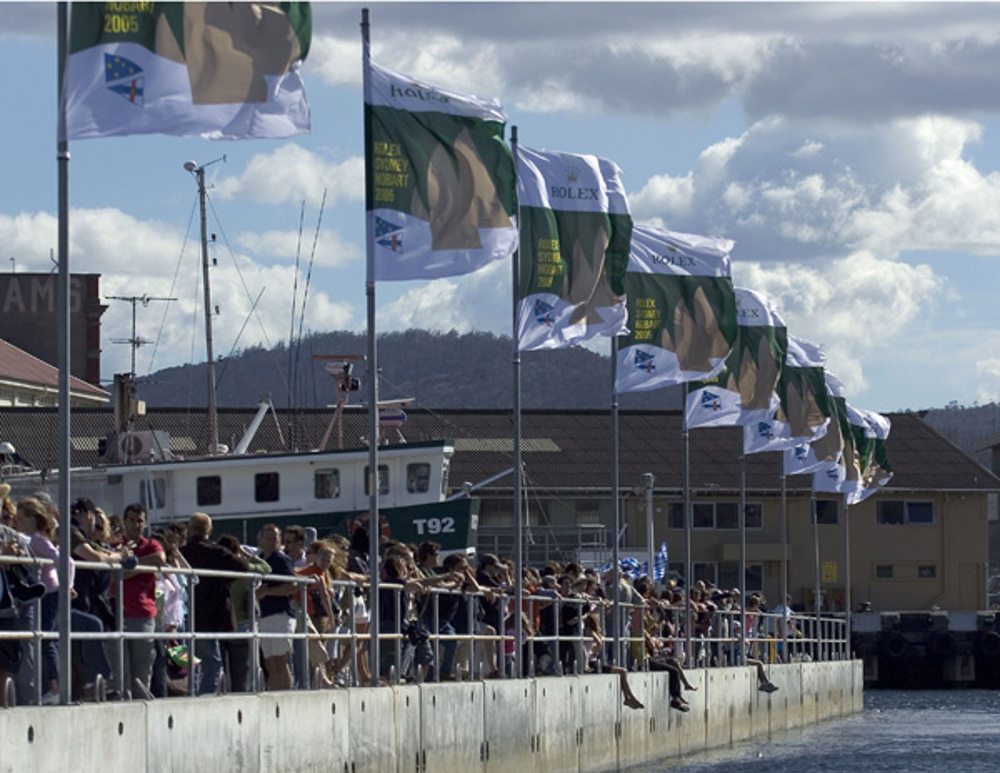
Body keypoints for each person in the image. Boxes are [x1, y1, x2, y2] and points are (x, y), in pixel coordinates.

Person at [179, 513, 250, 695]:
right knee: (213, 664)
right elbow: (243, 568)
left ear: (190, 529)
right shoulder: (216, 552)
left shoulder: (183, 553)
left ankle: (192, 695)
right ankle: (205, 700)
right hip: (214, 614)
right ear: (209, 531)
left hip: (186, 614)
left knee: (191, 664)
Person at [14, 496, 67, 703]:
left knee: (47, 639)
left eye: (22, 518)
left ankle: (55, 686)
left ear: (34, 519)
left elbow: (63, 561)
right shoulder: (27, 539)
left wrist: (67, 585)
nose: (18, 522)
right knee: (44, 637)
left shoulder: (36, 539)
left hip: (48, 592)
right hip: (41, 592)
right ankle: (51, 685)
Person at [114, 502, 166, 698]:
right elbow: (111, 576)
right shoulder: (116, 546)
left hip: (142, 614)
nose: (136, 525)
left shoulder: (151, 545)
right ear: (125, 521)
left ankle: (141, 704)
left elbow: (160, 558)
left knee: (142, 669)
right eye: (132, 520)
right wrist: (137, 569)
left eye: (140, 521)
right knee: (120, 671)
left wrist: (130, 565)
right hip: (117, 612)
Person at [255, 523, 298, 691]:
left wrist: (268, 591)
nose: (272, 542)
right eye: (269, 538)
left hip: (281, 614)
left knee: (280, 660)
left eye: (276, 538)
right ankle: (275, 693)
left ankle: (285, 695)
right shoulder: (259, 560)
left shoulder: (281, 559)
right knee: (269, 661)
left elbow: (292, 586)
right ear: (261, 540)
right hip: (264, 615)